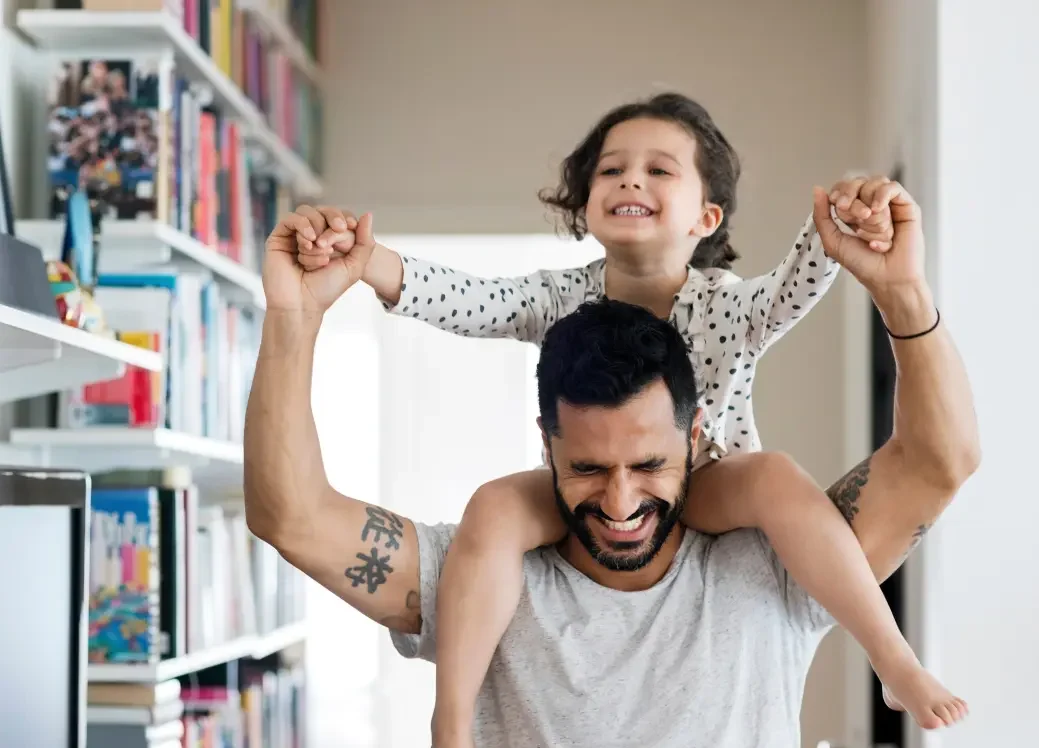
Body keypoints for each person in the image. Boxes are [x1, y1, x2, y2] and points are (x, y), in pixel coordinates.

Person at [286, 92, 960, 739]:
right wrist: (365, 262)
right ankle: (449, 724)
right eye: (611, 169)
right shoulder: (559, 297)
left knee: (776, 477)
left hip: (709, 482)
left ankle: (892, 662)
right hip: (580, 482)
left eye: (657, 170)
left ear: (706, 218)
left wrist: (845, 220)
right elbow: (468, 299)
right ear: (585, 202)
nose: (628, 179)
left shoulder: (728, 305)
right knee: (493, 507)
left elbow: (793, 287)